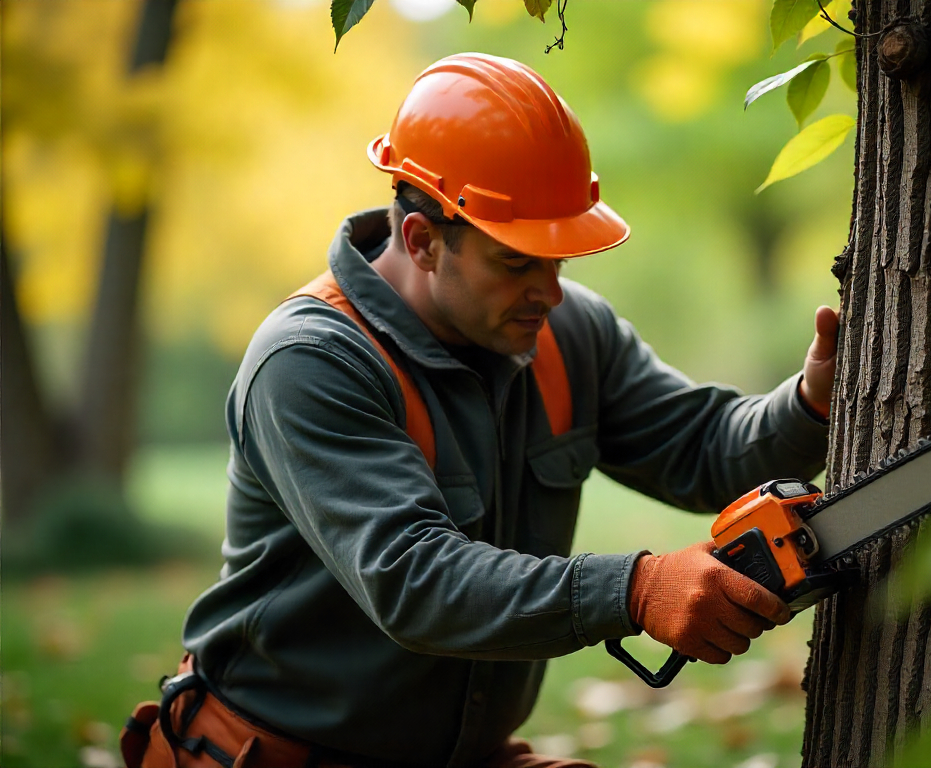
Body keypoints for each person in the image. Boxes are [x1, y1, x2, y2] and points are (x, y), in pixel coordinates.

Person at [122, 53, 838, 768]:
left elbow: (705, 446)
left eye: (558, 260)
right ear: (423, 242)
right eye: (517, 262)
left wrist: (809, 404)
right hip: (272, 755)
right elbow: (415, 581)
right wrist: (636, 588)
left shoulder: (565, 334)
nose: (550, 292)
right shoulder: (310, 362)